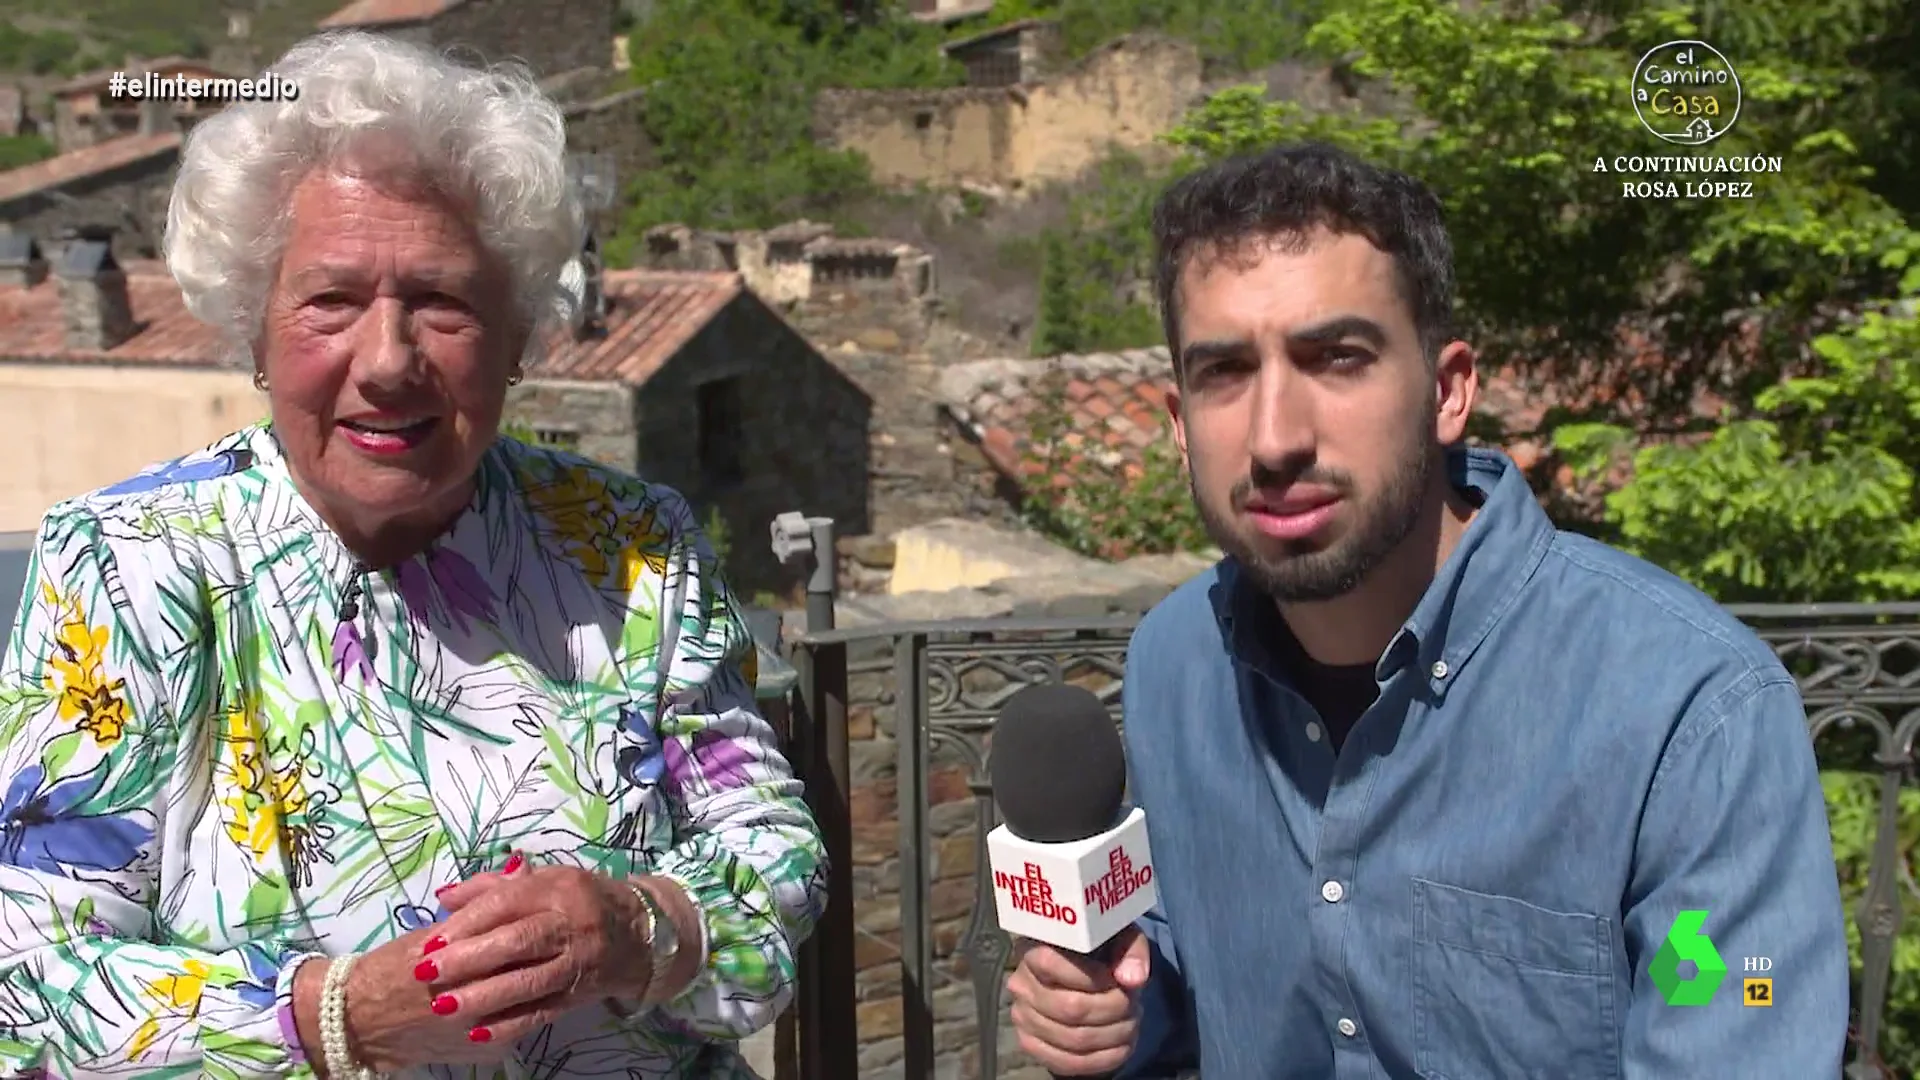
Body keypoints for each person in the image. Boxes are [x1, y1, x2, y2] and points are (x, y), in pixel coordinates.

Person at [0, 31, 825, 1079]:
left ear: (519, 334)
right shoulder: (133, 566)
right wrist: (332, 1018)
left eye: (443, 302)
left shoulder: (629, 546)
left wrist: (643, 925)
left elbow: (772, 851)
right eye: (331, 302)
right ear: (254, 329)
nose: (387, 362)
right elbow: (29, 970)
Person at [1003, 142, 1850, 1077]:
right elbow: (1184, 981)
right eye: (1226, 374)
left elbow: (1740, 1029)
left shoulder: (1688, 712)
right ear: (1176, 421)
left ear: (1448, 391)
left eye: (1337, 359)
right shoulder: (1175, 661)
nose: (1276, 437)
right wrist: (1117, 1012)